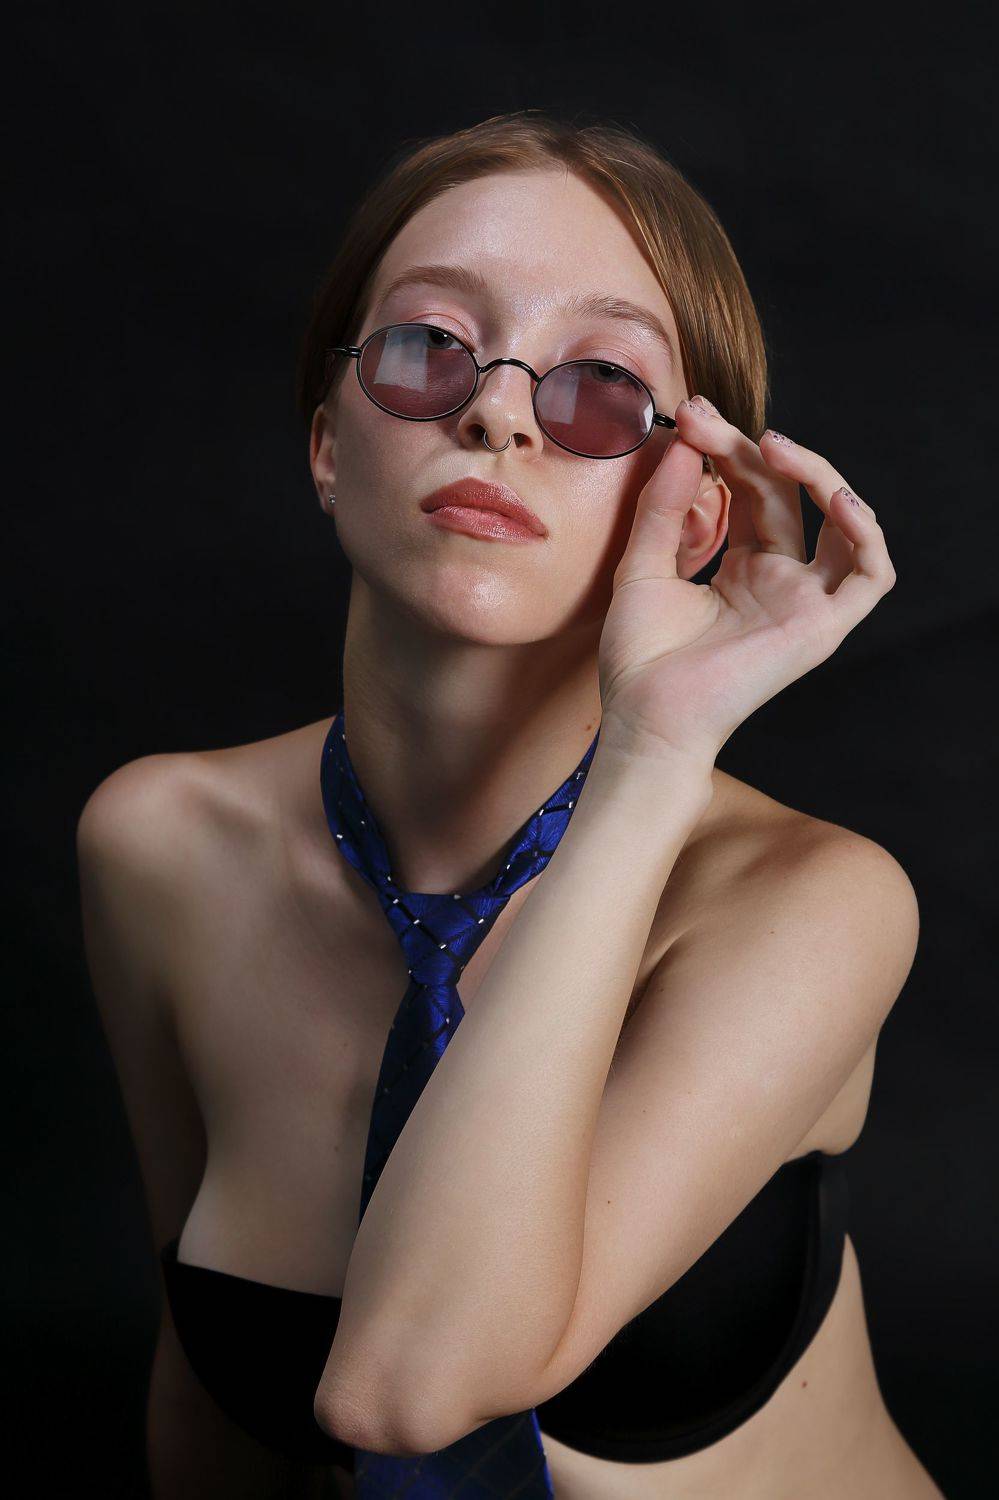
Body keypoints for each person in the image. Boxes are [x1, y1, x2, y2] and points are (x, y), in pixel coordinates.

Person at [77, 111, 946, 1499]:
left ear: (696, 513)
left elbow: (412, 1387)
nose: (497, 413)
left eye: (601, 383)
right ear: (327, 444)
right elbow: (205, 1394)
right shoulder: (161, 850)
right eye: (430, 347)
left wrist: (653, 760)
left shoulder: (813, 904)